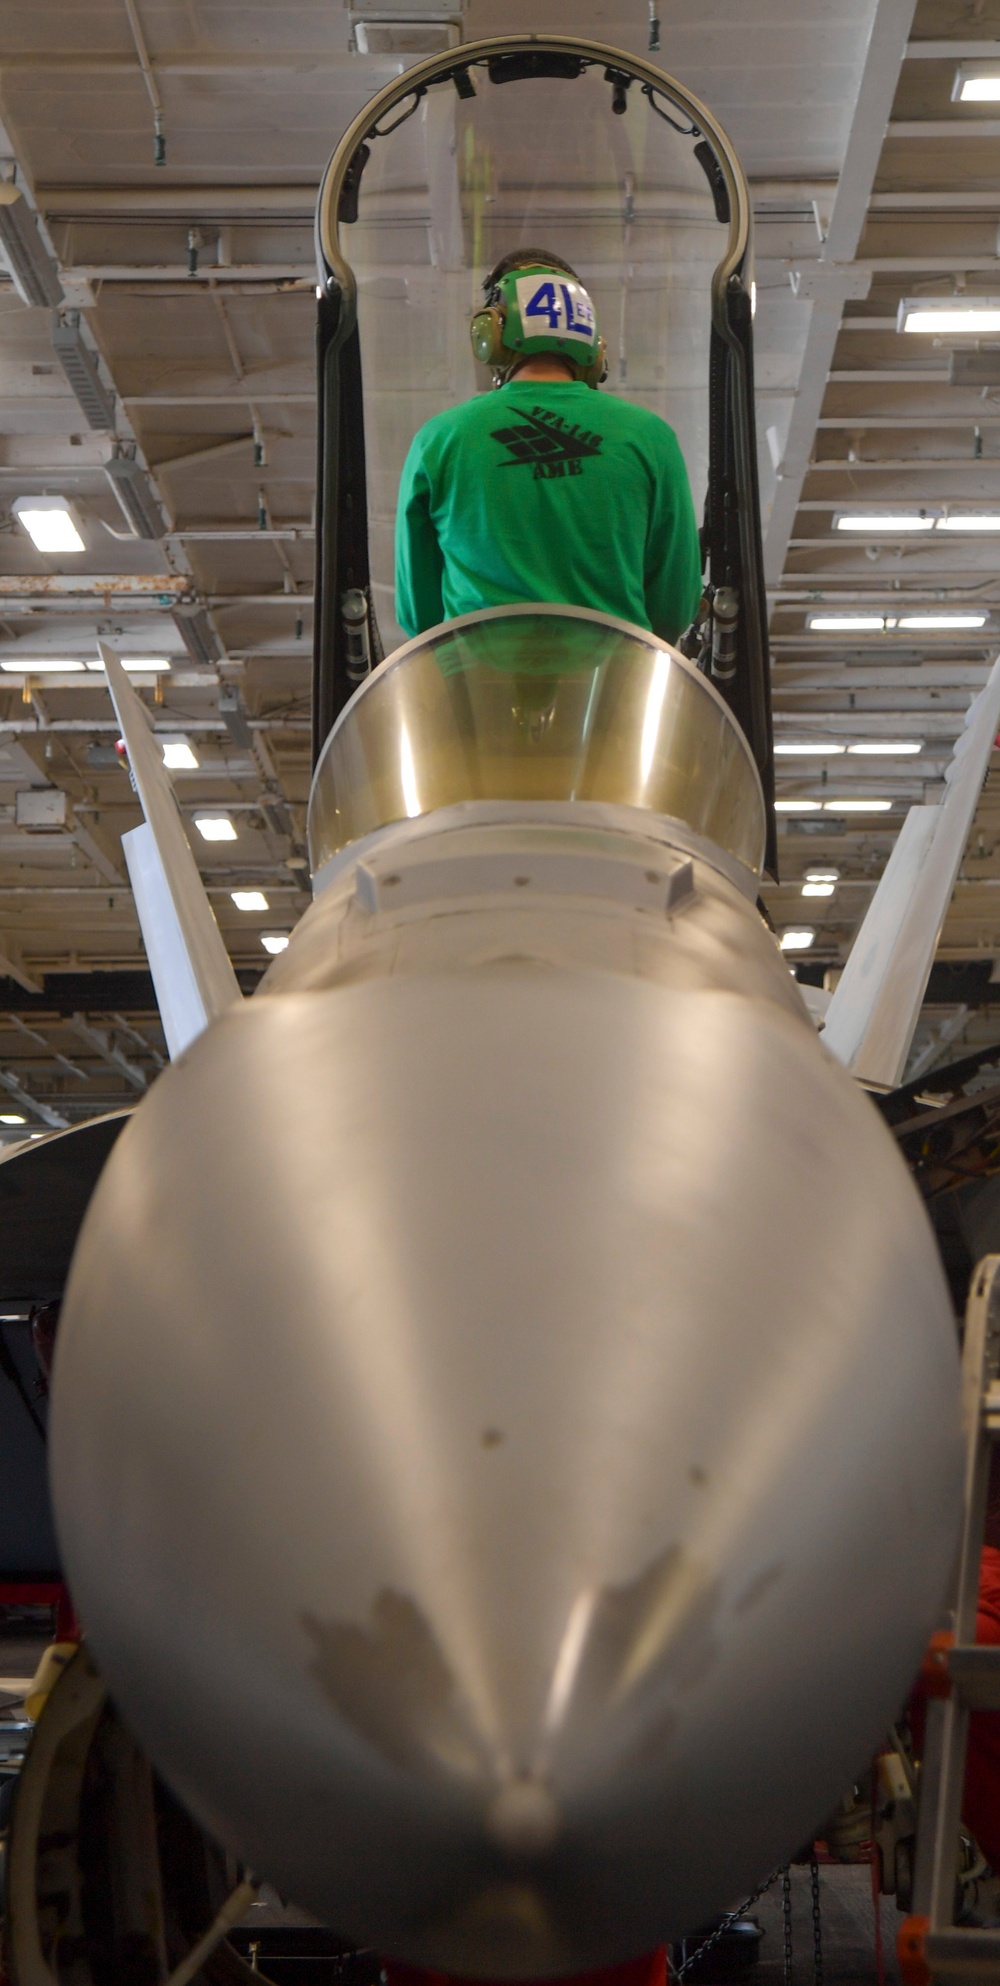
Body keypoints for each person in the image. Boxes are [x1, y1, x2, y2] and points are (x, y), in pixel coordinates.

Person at [394, 250, 703, 646]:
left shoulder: (439, 439)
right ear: (592, 341)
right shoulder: (650, 436)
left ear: (491, 333)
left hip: (479, 692)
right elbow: (674, 608)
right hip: (610, 691)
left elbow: (418, 616)